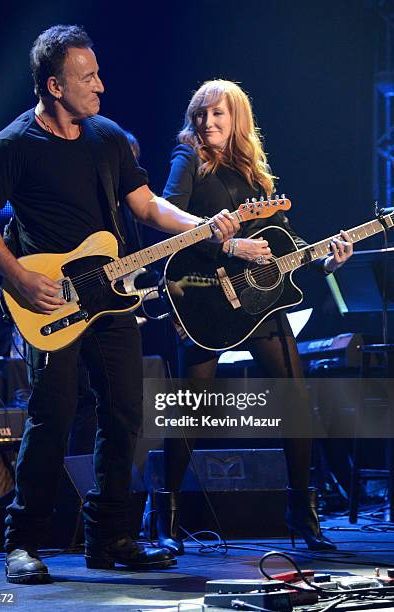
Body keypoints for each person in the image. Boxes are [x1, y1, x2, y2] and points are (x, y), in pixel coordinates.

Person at [0, 27, 239, 583]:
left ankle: (109, 536)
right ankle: (23, 542)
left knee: (124, 414)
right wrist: (17, 279)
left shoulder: (107, 137)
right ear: (54, 85)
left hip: (110, 299)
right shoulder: (13, 144)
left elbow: (149, 206)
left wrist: (206, 229)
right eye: (88, 78)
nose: (101, 87)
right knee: (53, 416)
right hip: (51, 302)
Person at [156, 79, 353, 555]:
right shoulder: (189, 160)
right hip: (205, 298)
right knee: (190, 412)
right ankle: (164, 515)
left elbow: (285, 247)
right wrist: (227, 243)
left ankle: (301, 514)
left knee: (296, 404)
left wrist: (327, 260)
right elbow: (164, 217)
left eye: (218, 115)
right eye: (201, 114)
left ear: (237, 118)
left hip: (261, 305)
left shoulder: (257, 173)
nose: (207, 123)